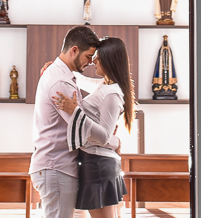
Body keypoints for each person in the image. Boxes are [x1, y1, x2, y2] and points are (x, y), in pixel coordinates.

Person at [53, 37, 134, 218]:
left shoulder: (111, 93)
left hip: (98, 163)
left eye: (98, 56)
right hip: (96, 161)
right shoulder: (105, 85)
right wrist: (56, 67)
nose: (94, 60)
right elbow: (79, 79)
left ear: (109, 59)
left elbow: (104, 136)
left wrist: (75, 112)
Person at [30, 25, 102, 218]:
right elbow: (81, 130)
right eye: (88, 56)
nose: (90, 63)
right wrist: (109, 138)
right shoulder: (61, 81)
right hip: (56, 166)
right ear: (74, 50)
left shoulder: (61, 75)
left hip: (58, 166)